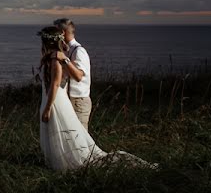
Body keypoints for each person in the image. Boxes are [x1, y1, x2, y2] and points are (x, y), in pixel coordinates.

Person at [37, 25, 157, 171]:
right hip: (52, 99)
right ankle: (57, 161)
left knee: (62, 130)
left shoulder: (56, 59)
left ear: (48, 42)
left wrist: (48, 108)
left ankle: (64, 162)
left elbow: (55, 85)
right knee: (56, 131)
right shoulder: (53, 58)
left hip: (56, 101)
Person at [52, 17, 91, 131]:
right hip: (68, 100)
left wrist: (65, 60)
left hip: (79, 101)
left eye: (55, 32)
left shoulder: (79, 51)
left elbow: (78, 76)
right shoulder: (65, 50)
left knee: (81, 137)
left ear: (62, 33)